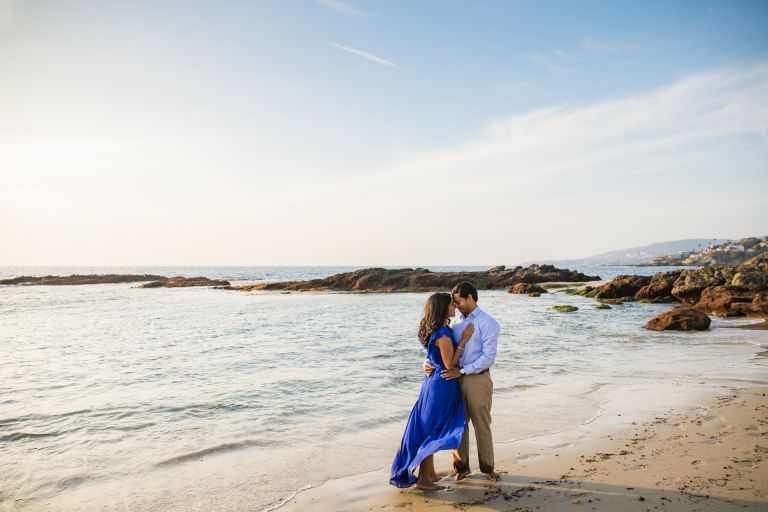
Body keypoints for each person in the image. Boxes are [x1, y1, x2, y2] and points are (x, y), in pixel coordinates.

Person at [390, 292, 475, 490]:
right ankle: (424, 481)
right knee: (433, 430)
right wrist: (463, 340)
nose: (454, 307)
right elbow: (449, 364)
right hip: (441, 385)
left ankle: (429, 474)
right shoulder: (444, 334)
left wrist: (428, 363)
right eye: (451, 305)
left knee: (430, 428)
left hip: (433, 383)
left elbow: (433, 357)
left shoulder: (436, 329)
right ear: (442, 308)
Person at [426, 281, 500, 482]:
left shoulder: (488, 322)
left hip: (477, 380)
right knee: (458, 424)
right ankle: (461, 467)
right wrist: (427, 363)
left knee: (481, 424)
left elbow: (488, 357)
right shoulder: (455, 324)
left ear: (470, 297)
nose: (456, 306)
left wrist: (463, 370)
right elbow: (440, 348)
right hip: (454, 381)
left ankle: (487, 468)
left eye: (458, 301)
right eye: (454, 303)